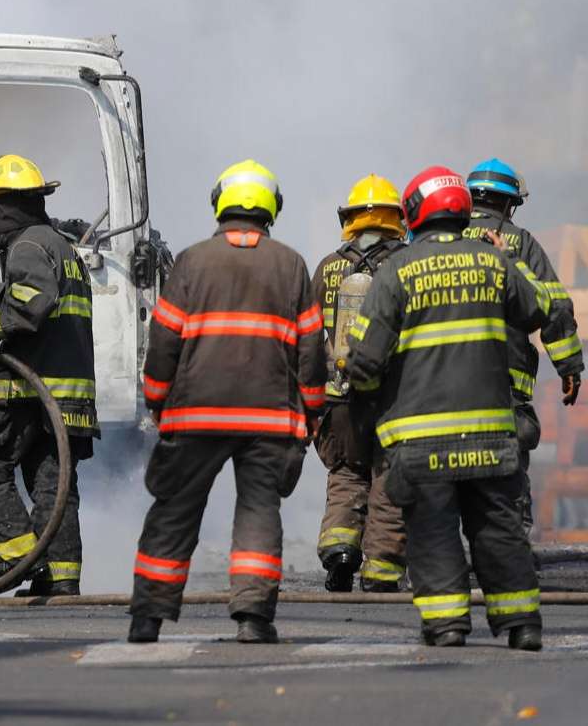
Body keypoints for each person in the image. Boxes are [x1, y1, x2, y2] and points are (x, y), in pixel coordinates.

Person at [346, 167, 548, 651]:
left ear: (415, 213)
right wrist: (508, 262)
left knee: (433, 531)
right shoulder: (494, 264)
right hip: (490, 434)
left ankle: (447, 625)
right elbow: (539, 310)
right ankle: (522, 624)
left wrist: (368, 393)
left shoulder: (396, 272)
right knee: (498, 527)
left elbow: (365, 362)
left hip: (422, 441)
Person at [128, 160, 323, 645]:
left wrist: (156, 399)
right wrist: (312, 411)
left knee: (174, 511)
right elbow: (311, 350)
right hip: (269, 420)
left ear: (221, 203)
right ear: (270, 208)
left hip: (196, 415)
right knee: (258, 512)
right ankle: (253, 617)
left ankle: (148, 617)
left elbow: (164, 339)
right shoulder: (291, 265)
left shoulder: (192, 262)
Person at [0, 154, 97, 599]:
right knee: (51, 486)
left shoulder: (28, 246)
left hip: (27, 391)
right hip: (67, 399)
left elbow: (31, 303)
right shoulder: (62, 246)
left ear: (4, 206)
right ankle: (60, 578)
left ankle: (15, 559)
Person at [462, 158, 583, 534]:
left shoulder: (441, 239)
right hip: (506, 388)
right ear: (509, 204)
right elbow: (554, 306)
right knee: (507, 481)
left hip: (442, 384)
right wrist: (569, 367)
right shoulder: (521, 243)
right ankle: (508, 556)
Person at [311, 175, 409, 593]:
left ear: (349, 219)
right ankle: (382, 569)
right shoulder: (409, 263)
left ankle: (340, 552)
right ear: (397, 218)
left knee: (346, 473)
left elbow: (311, 335)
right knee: (386, 478)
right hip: (394, 398)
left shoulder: (328, 267)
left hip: (340, 401)